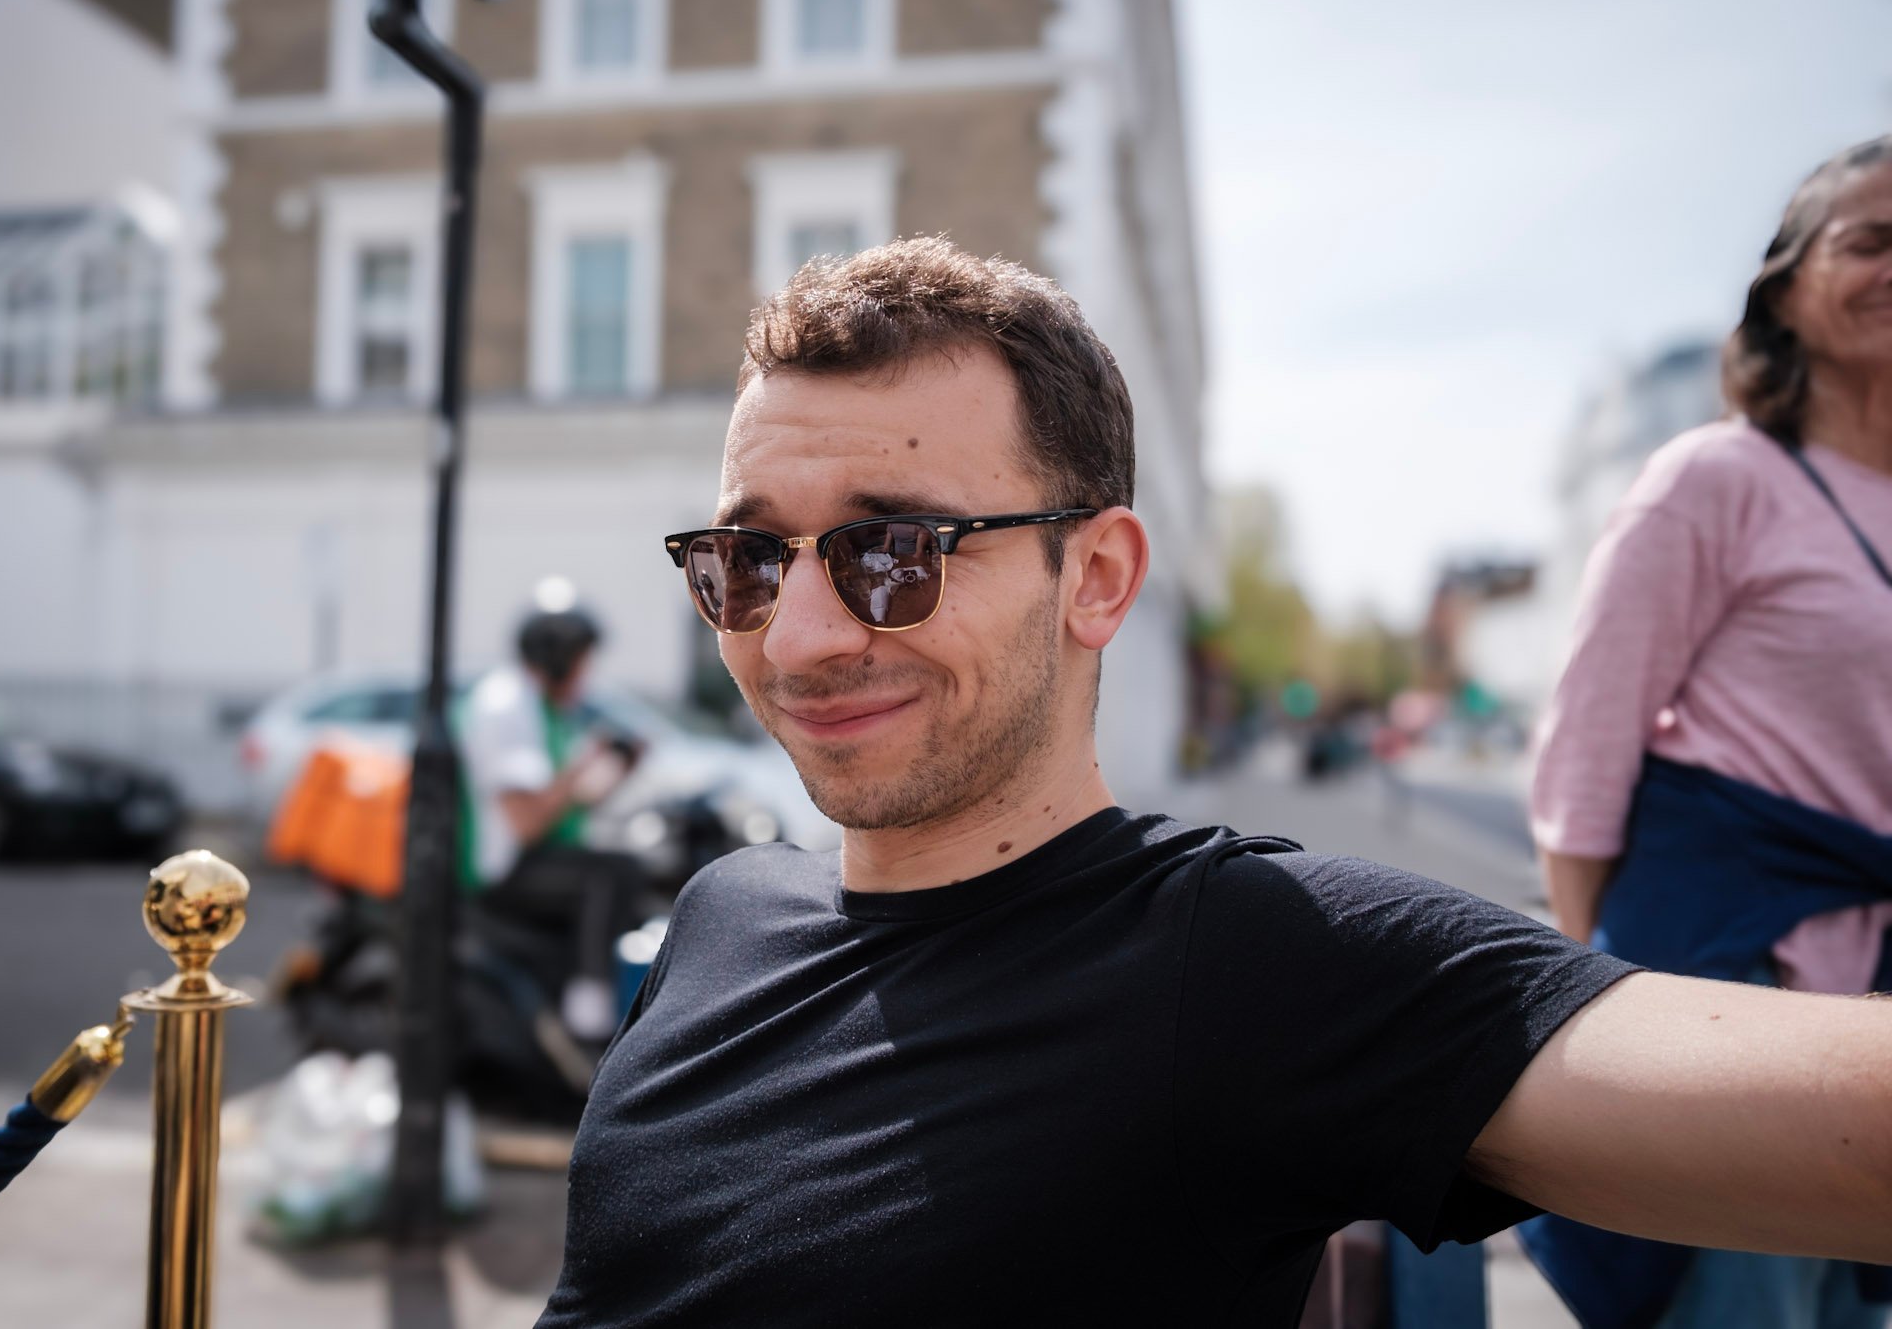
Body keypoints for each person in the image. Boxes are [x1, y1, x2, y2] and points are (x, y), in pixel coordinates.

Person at [534, 238, 1892, 1328]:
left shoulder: (1244, 962)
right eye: (746, 562)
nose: (797, 639)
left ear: (1099, 577)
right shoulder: (719, 913)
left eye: (894, 554)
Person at [1527, 136, 1892, 1328]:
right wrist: (1610, 1002)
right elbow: (1584, 755)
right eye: (1869, 241)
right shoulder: (1711, 480)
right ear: (1784, 289)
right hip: (1730, 972)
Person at [460, 602, 643, 1041]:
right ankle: (590, 1015)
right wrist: (584, 766)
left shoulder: (539, 706)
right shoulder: (507, 705)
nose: (586, 676)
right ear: (557, 659)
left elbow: (566, 805)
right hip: (501, 871)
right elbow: (527, 822)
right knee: (614, 873)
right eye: (582, 663)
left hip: (530, 856)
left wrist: (621, 768)